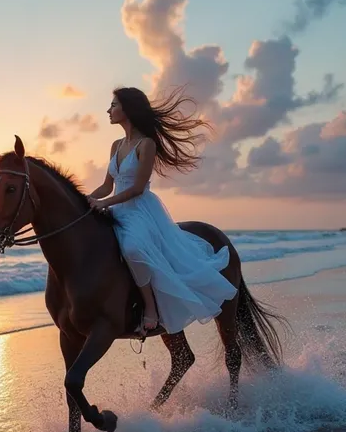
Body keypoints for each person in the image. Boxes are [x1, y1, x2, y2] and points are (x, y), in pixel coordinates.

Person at [87, 86, 237, 335]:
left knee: (133, 249)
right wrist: (86, 200)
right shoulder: (115, 145)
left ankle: (150, 308)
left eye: (113, 105)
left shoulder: (146, 145)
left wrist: (104, 203)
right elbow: (106, 186)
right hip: (115, 209)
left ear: (128, 108)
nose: (109, 110)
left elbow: (136, 188)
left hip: (139, 212)